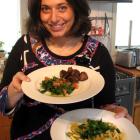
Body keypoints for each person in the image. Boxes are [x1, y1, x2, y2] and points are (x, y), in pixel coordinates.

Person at [0, 0, 132, 139]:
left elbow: (106, 107)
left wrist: (115, 112)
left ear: (76, 9)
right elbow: (3, 106)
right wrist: (13, 92)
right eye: (45, 9)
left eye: (62, 8)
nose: (54, 18)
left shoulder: (99, 53)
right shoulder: (25, 45)